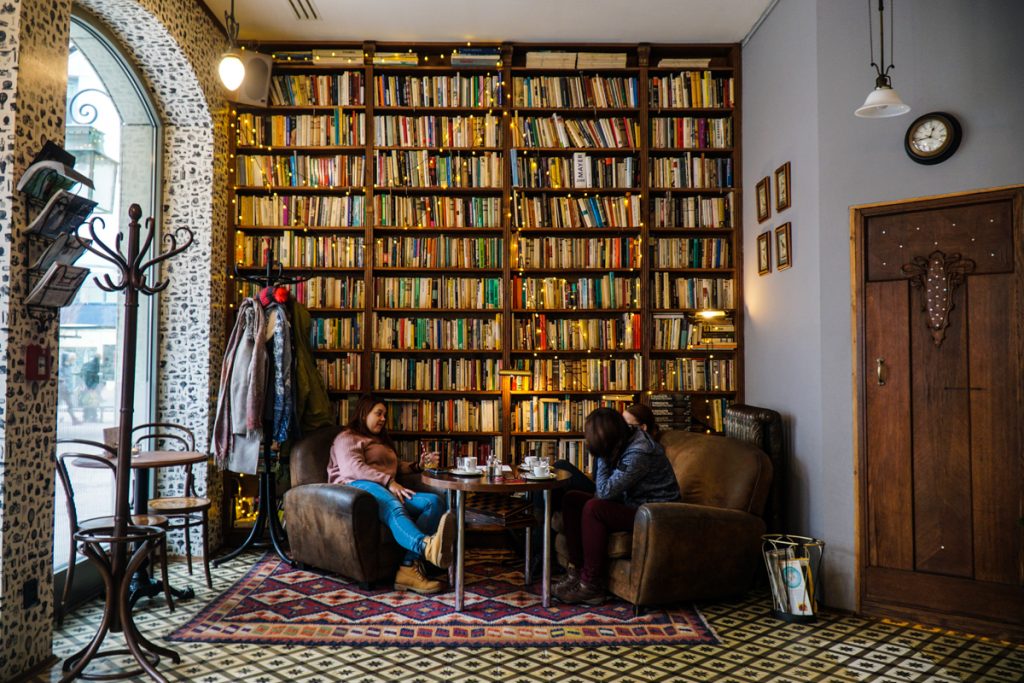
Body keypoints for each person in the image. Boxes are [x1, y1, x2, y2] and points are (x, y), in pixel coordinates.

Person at [327, 394, 455, 595]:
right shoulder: (346, 437)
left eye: (384, 415)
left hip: (384, 487)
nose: (383, 419)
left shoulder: (378, 440)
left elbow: (391, 467)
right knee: (394, 506)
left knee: (434, 503)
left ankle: (408, 567)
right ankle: (426, 547)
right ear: (363, 413)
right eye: (378, 413)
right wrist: (390, 483)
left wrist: (417, 465)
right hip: (356, 488)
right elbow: (354, 468)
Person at [553, 407, 680, 605]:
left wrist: (603, 454)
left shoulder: (640, 452)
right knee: (572, 499)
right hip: (633, 503)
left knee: (594, 508)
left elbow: (604, 492)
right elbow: (602, 489)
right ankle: (576, 573)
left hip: (655, 513)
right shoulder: (622, 440)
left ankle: (591, 586)